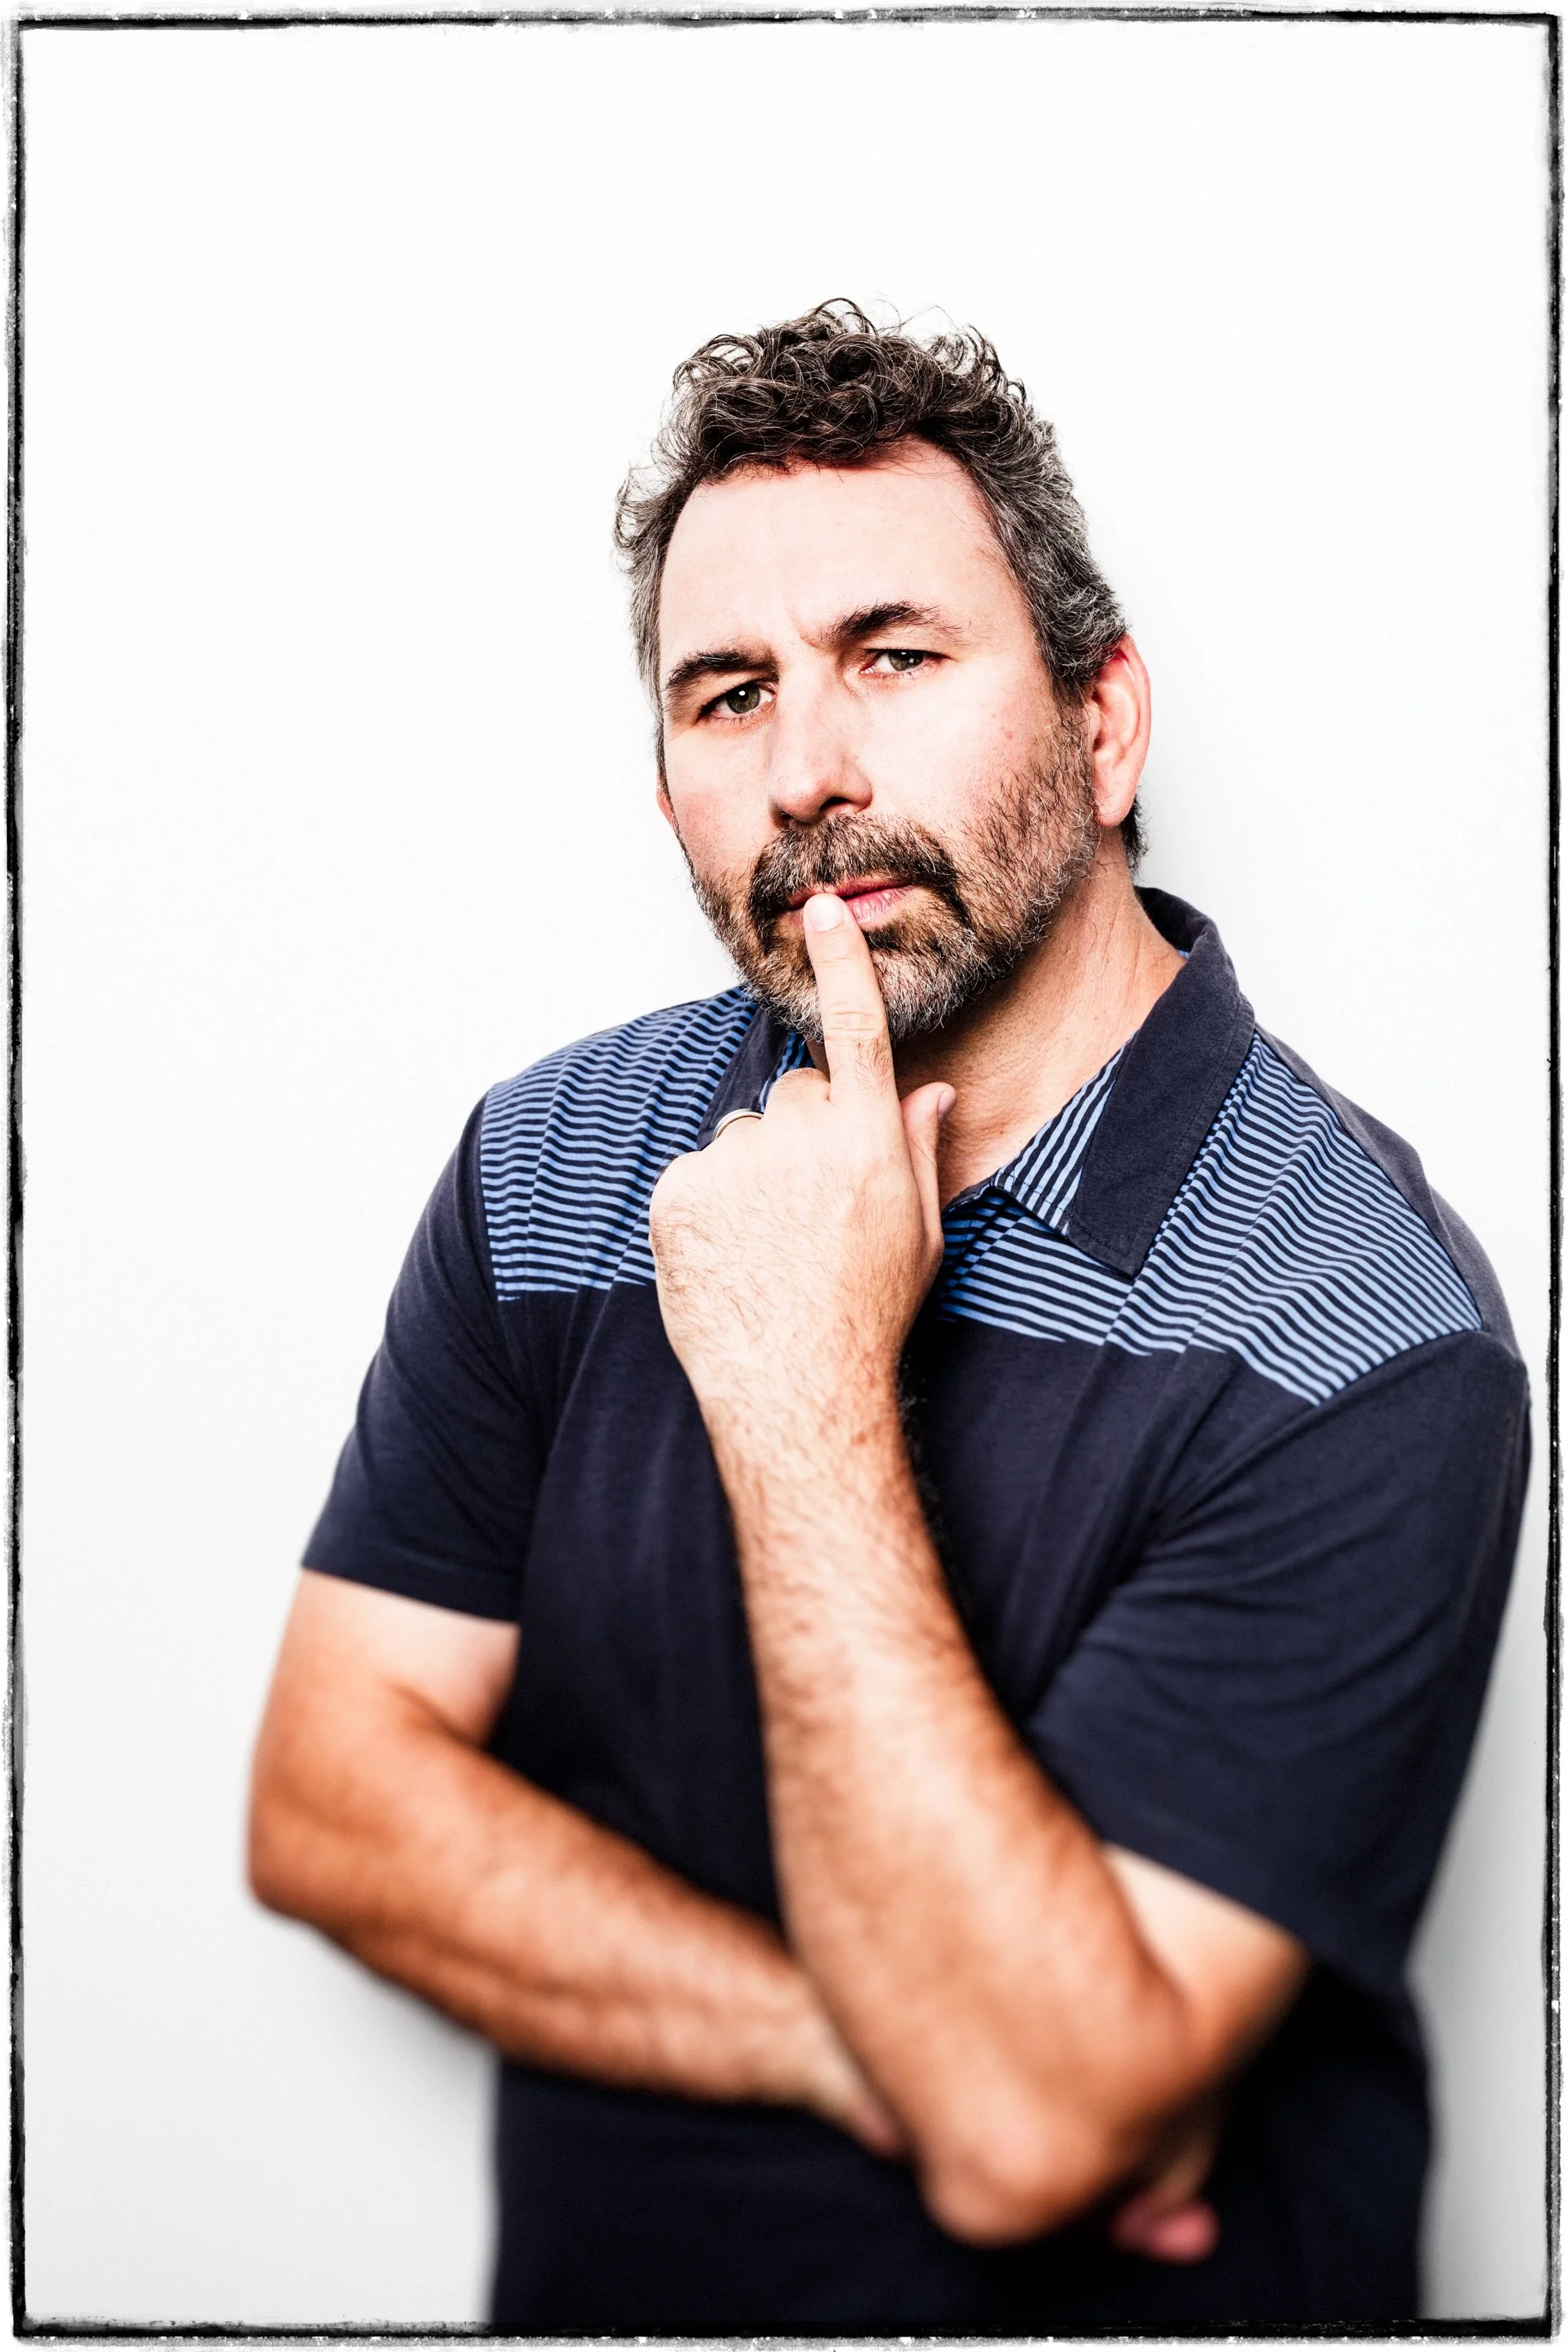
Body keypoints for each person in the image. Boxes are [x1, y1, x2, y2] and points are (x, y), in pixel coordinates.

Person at [249, 303, 1529, 2332]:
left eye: (896, 658)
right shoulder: (552, 1164)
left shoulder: (1362, 1333)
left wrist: (798, 1380)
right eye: (729, 693)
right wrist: (855, 2045)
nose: (809, 775)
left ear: (1105, 729)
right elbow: (328, 1799)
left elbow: (1031, 2121)